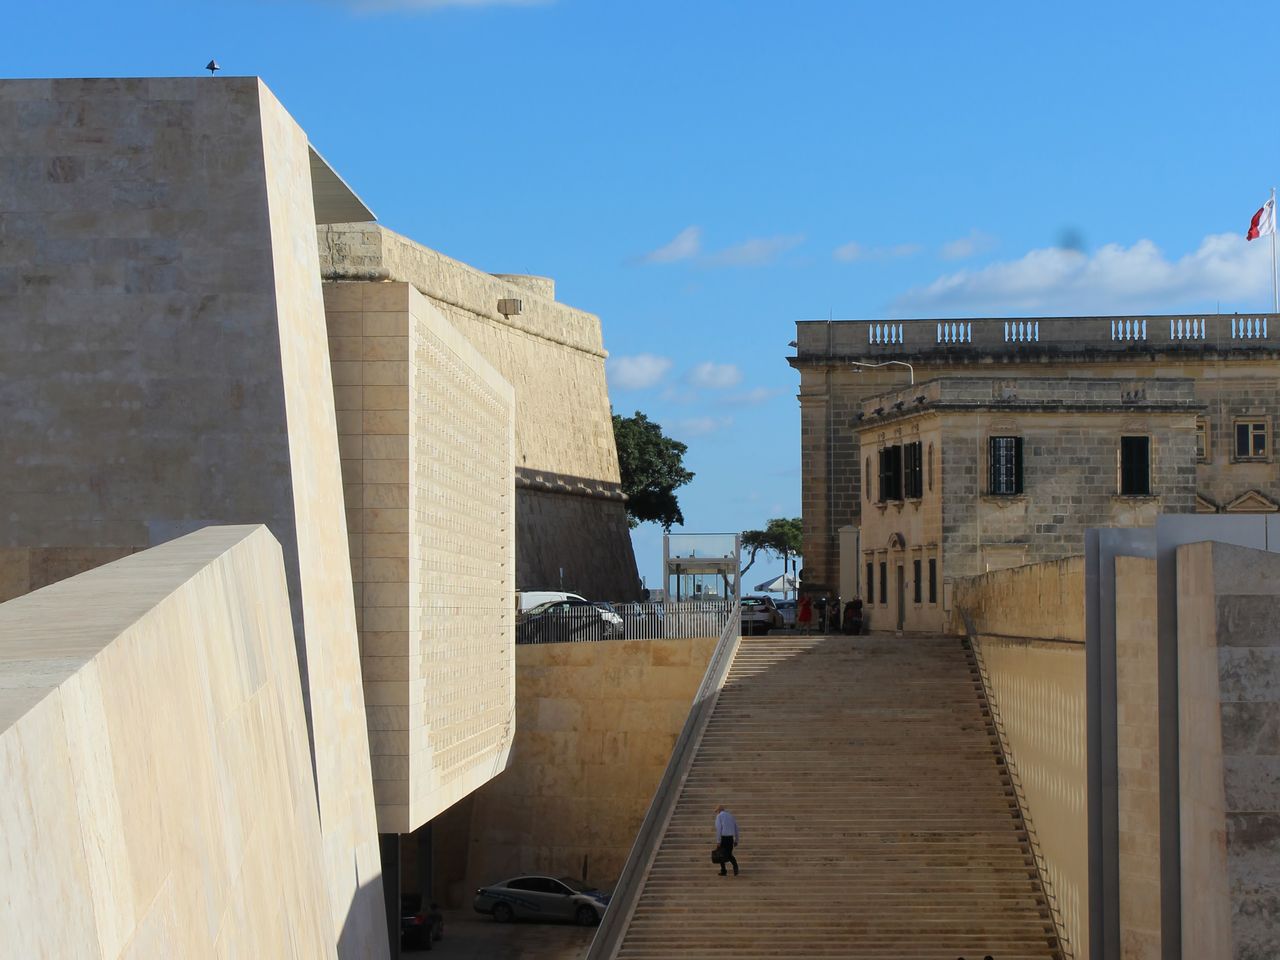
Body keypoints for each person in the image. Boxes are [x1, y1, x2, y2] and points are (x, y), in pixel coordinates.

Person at [714, 804, 739, 876]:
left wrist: (718, 841)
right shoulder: (731, 816)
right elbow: (736, 828)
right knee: (728, 853)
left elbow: (719, 829)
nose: (717, 813)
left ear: (719, 810)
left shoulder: (719, 816)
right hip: (730, 838)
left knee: (721, 854)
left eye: (717, 811)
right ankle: (734, 866)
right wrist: (736, 840)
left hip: (723, 838)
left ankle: (724, 870)